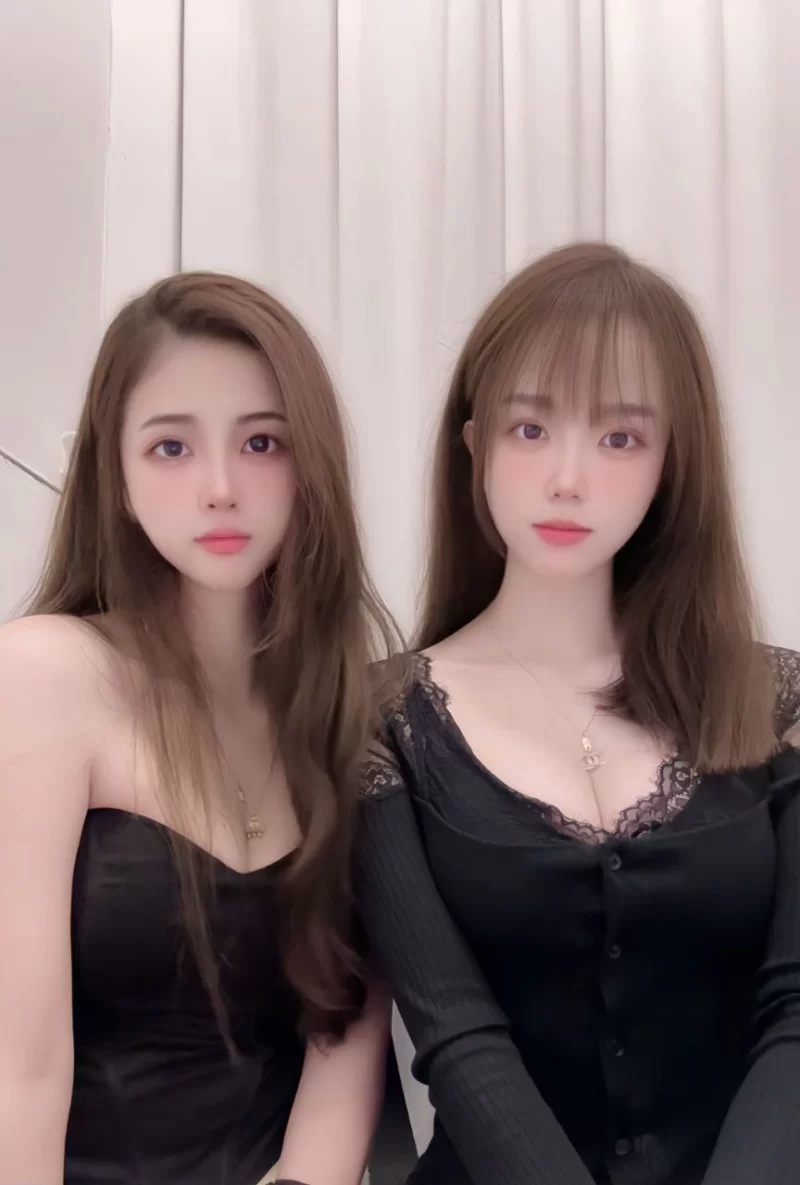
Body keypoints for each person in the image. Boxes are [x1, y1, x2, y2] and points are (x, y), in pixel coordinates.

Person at [356, 242, 800, 1185]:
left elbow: (797, 1010)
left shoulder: (781, 701)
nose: (568, 477)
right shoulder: (377, 718)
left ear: (672, 462)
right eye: (530, 429)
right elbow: (456, 1035)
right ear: (473, 444)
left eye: (620, 438)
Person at [0, 272, 397, 1185]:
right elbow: (22, 1066)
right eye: (171, 446)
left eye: (261, 442)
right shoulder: (44, 676)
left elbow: (348, 1030)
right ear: (117, 476)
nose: (220, 488)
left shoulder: (350, 705)